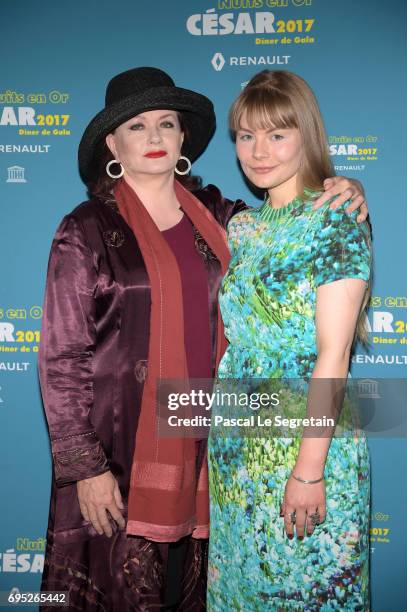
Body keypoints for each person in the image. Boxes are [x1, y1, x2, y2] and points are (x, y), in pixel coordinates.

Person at [38, 66, 369, 611]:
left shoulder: (222, 216)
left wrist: (347, 190)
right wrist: (86, 467)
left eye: (165, 123)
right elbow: (61, 357)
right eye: (136, 126)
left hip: (214, 449)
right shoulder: (87, 228)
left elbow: (303, 241)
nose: (153, 138)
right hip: (122, 455)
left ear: (183, 137)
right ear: (111, 144)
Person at [207, 69, 372, 610]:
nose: (259, 151)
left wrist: (309, 470)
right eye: (246, 136)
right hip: (236, 451)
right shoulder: (243, 228)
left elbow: (333, 353)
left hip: (304, 447)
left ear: (306, 133)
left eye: (277, 134)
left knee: (302, 594)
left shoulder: (336, 219)